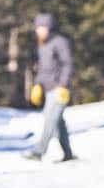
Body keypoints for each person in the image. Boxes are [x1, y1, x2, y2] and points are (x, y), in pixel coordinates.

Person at [24, 11, 76, 162]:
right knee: (58, 121)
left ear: (48, 27)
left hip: (59, 90)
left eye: (40, 27)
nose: (37, 30)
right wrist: (37, 85)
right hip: (48, 89)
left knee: (50, 119)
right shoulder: (43, 45)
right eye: (37, 28)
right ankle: (68, 154)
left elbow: (67, 65)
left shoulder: (60, 42)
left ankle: (39, 152)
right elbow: (43, 68)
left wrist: (63, 85)